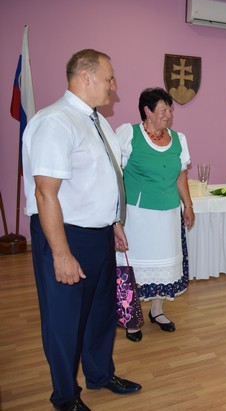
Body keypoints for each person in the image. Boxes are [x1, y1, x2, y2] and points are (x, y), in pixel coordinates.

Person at [22, 49, 141, 411]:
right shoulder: (55, 122)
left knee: (101, 312)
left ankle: (100, 374)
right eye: (109, 78)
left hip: (99, 234)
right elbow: (45, 193)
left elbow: (102, 179)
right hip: (65, 235)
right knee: (65, 320)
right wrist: (61, 254)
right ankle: (65, 396)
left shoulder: (97, 121)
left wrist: (114, 221)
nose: (113, 86)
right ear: (86, 77)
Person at [115, 87, 195, 342]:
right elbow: (114, 174)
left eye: (170, 109)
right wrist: (115, 216)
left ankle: (157, 311)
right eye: (163, 110)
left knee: (164, 264)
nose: (168, 114)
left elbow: (180, 175)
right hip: (137, 215)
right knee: (131, 266)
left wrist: (188, 205)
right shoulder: (128, 134)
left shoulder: (179, 139)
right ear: (147, 111)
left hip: (168, 214)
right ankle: (130, 319)